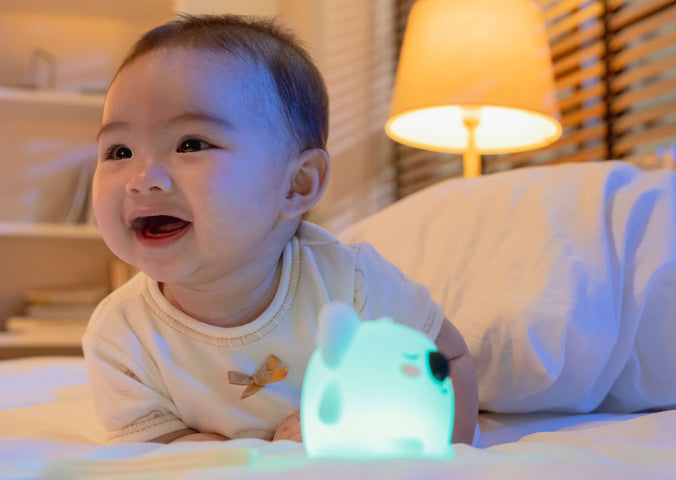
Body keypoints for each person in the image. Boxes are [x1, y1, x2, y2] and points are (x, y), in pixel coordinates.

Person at [83, 13, 479, 445]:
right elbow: (158, 456)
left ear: (297, 184)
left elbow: (447, 362)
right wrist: (260, 458)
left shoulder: (352, 284)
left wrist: (428, 450)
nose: (142, 179)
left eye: (190, 144)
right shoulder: (121, 336)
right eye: (119, 151)